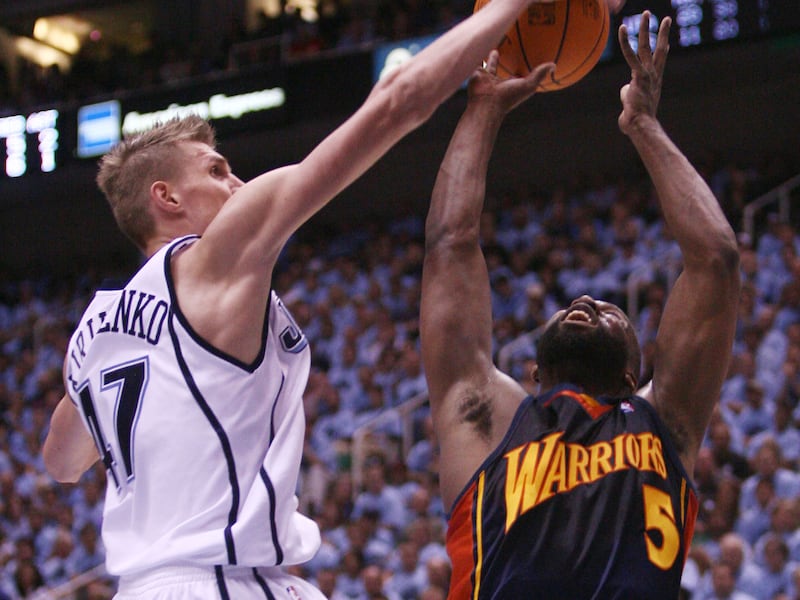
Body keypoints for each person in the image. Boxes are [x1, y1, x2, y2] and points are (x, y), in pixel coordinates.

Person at [40, 0, 560, 596]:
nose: (236, 184)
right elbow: (397, 103)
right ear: (167, 198)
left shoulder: (96, 330)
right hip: (222, 582)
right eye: (216, 171)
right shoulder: (217, 256)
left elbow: (61, 462)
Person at [419, 11, 741, 599]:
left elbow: (715, 258)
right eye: (589, 304)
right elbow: (450, 244)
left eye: (613, 314)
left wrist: (643, 124)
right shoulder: (490, 422)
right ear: (535, 374)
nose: (590, 300)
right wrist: (482, 110)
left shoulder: (663, 420)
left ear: (631, 373)